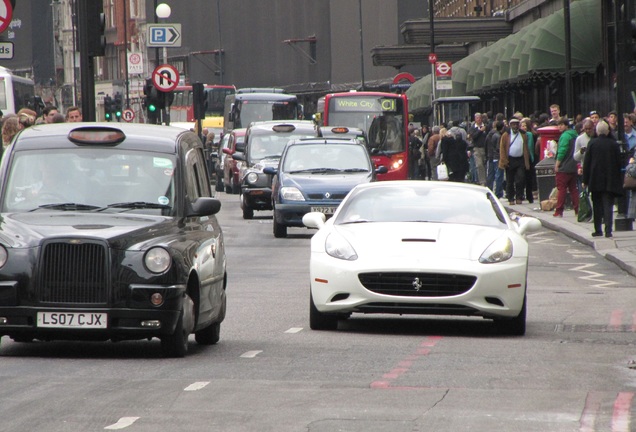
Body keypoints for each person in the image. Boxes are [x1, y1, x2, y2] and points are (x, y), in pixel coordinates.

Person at [582, 121, 624, 238]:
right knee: (608, 205)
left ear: (597, 131)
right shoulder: (613, 144)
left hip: (595, 179)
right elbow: (619, 163)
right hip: (610, 179)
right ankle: (608, 230)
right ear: (607, 131)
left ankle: (598, 229)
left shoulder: (592, 143)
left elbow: (587, 163)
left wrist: (585, 180)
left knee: (597, 205)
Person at [553, 117, 579, 217]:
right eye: (558, 125)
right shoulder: (574, 135)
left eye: (562, 125)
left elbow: (562, 152)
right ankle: (577, 209)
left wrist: (557, 164)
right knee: (573, 189)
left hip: (564, 167)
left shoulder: (564, 136)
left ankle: (559, 211)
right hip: (573, 166)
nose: (559, 127)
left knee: (561, 188)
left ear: (566, 125)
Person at [499, 118, 529, 205]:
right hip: (510, 160)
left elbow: (526, 148)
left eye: (516, 124)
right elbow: (502, 149)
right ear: (510, 125)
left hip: (520, 160)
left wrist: (526, 161)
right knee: (510, 181)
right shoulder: (506, 135)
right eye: (513, 124)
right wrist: (504, 161)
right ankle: (511, 198)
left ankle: (519, 197)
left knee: (520, 179)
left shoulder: (523, 135)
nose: (515, 126)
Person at [520, 117, 539, 203]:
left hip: (530, 158)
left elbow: (531, 147)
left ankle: (530, 193)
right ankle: (530, 193)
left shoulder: (530, 135)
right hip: (527, 157)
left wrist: (531, 157)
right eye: (522, 126)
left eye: (525, 125)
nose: (523, 127)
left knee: (529, 176)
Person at [468, 112, 488, 186]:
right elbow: (473, 136)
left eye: (480, 118)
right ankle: (482, 181)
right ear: (475, 119)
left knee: (485, 165)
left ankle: (487, 179)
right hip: (477, 148)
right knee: (479, 165)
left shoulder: (486, 126)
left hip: (485, 148)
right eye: (477, 118)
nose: (479, 119)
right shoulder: (473, 128)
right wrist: (480, 131)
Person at [486, 120, 504, 198]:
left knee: (491, 175)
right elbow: (498, 148)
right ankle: (498, 192)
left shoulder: (490, 134)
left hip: (491, 156)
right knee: (499, 175)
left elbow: (486, 144)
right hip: (497, 157)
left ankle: (489, 190)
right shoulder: (498, 136)